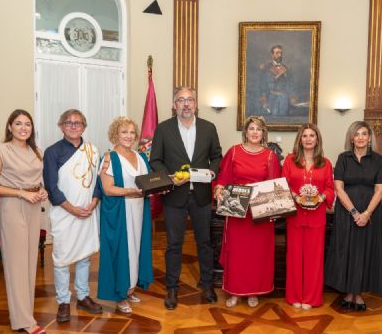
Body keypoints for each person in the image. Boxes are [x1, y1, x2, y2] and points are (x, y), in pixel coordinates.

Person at [149, 86, 222, 310]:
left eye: (190, 99)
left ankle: (207, 284)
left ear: (196, 104)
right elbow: (156, 160)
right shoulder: (163, 129)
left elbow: (217, 156)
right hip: (174, 195)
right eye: (181, 100)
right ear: (174, 105)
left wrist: (213, 172)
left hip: (201, 195)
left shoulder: (209, 128)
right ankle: (172, 288)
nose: (186, 104)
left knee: (205, 242)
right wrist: (169, 178)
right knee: (174, 244)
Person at [0, 109, 48, 334]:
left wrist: (42, 191)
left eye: (28, 124)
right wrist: (22, 193)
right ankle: (24, 320)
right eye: (19, 123)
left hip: (33, 207)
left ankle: (26, 314)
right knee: (16, 265)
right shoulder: (0, 150)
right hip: (13, 206)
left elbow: (38, 182)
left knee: (30, 263)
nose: (24, 128)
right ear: (10, 127)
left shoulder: (36, 151)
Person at [214, 116, 281, 308]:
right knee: (237, 254)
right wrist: (219, 190)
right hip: (237, 211)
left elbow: (274, 186)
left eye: (258, 129)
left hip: (259, 214)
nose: (254, 132)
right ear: (245, 132)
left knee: (257, 255)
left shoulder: (270, 156)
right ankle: (234, 292)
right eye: (251, 128)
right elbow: (223, 178)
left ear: (263, 133)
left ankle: (254, 292)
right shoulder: (234, 152)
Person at [43, 109, 102, 323]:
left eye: (78, 123)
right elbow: (51, 187)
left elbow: (98, 182)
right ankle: (63, 301)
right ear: (61, 126)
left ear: (84, 127)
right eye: (69, 122)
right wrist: (72, 209)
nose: (74, 126)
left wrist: (94, 201)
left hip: (87, 211)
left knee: (84, 256)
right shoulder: (52, 152)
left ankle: (83, 296)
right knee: (61, 258)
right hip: (64, 212)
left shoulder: (93, 151)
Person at [324, 121, 382, 311]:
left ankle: (359, 294)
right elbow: (339, 189)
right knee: (347, 251)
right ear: (351, 138)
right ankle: (349, 292)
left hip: (371, 213)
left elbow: (380, 190)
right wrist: (354, 212)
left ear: (369, 138)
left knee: (365, 252)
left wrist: (366, 213)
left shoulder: (378, 160)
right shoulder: (343, 158)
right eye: (356, 134)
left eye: (364, 134)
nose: (360, 137)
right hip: (346, 212)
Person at [97, 117, 153, 314]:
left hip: (139, 211)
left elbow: (148, 183)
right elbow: (108, 189)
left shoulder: (141, 157)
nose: (129, 136)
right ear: (115, 135)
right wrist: (132, 191)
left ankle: (130, 289)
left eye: (131, 132)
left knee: (136, 250)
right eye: (124, 132)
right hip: (119, 213)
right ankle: (119, 295)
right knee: (120, 251)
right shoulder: (109, 158)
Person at [283, 123, 334, 310]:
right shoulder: (290, 161)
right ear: (300, 139)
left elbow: (330, 188)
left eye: (312, 135)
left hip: (317, 218)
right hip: (295, 216)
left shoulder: (326, 163)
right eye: (304, 136)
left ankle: (311, 298)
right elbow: (284, 184)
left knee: (314, 259)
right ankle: (295, 295)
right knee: (295, 257)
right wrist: (296, 197)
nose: (308, 139)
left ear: (317, 139)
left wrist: (321, 198)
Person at [258, 44, 297, 117]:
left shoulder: (286, 68)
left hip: (284, 98)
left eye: (281, 53)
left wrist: (292, 97)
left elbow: (291, 84)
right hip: (271, 97)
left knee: (284, 119)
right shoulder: (265, 68)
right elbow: (262, 85)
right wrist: (264, 100)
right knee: (272, 118)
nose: (279, 55)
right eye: (277, 53)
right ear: (272, 54)